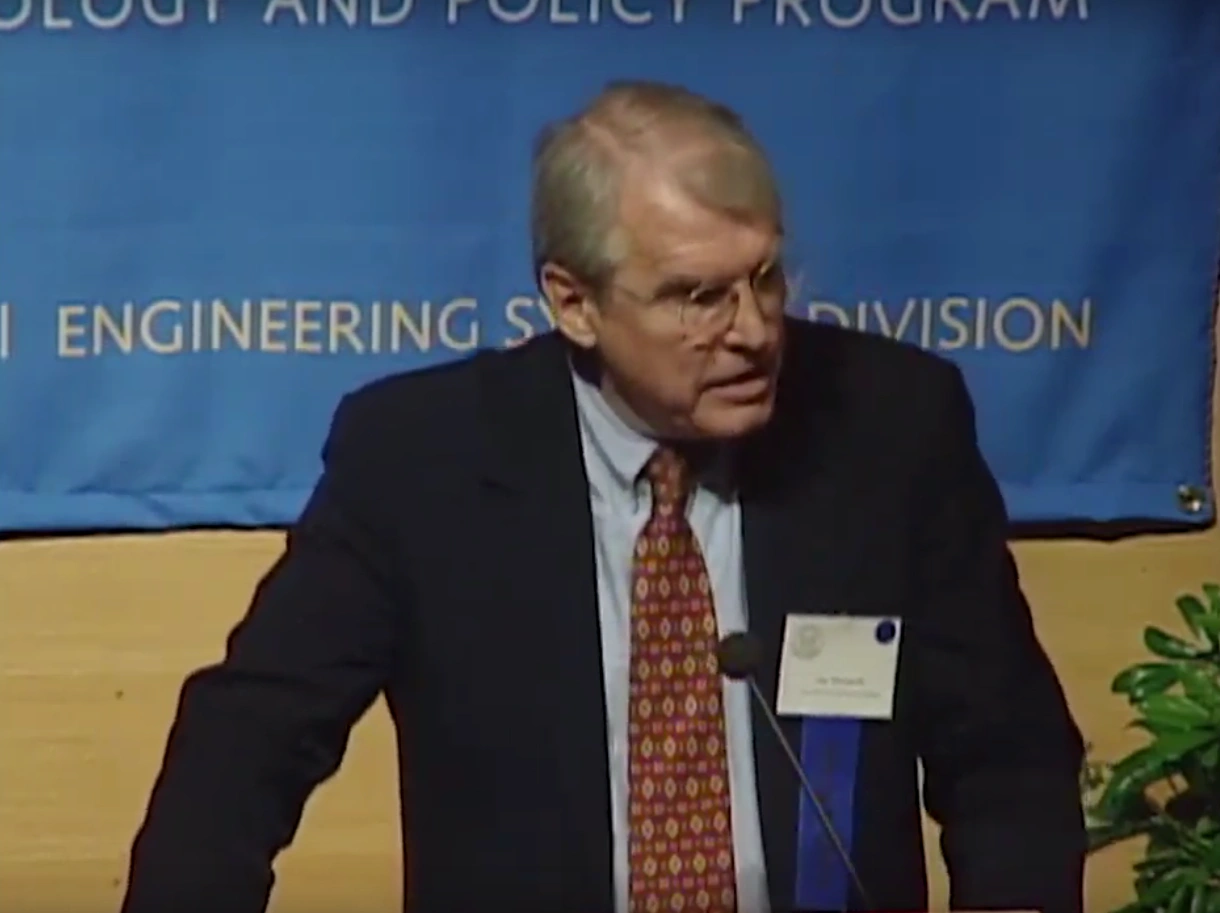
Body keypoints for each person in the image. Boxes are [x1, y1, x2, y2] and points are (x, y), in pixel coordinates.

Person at [122, 81, 1086, 913]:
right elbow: (245, 744)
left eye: (763, 278)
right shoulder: (423, 462)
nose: (750, 331)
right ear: (572, 301)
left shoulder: (888, 427)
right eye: (696, 297)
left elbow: (1006, 750)